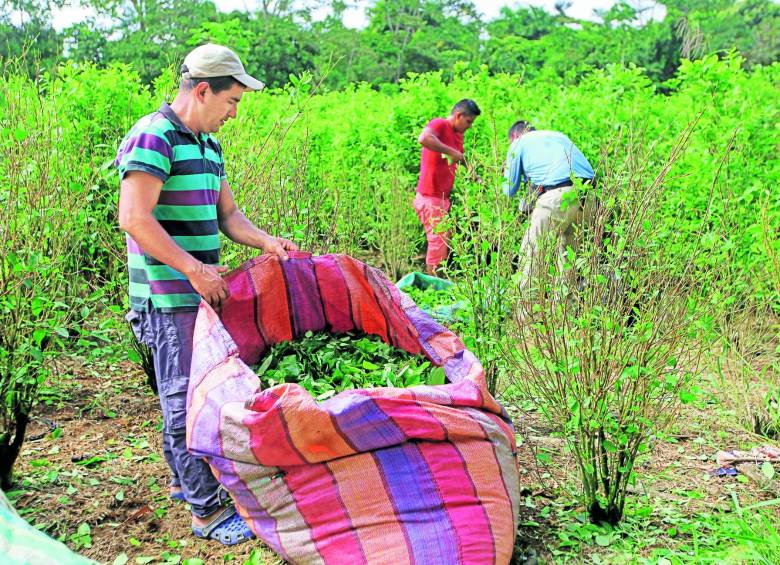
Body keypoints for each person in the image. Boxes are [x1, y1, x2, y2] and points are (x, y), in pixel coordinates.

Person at [116, 43, 297, 546]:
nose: (234, 113)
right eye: (231, 101)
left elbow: (228, 215)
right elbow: (134, 218)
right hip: (167, 296)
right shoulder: (154, 137)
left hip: (198, 295)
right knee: (184, 401)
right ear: (202, 91)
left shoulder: (208, 146)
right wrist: (195, 271)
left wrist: (266, 241)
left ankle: (184, 482)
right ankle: (207, 512)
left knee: (191, 393)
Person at [503, 120, 595, 293]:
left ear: (515, 136)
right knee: (568, 259)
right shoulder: (557, 136)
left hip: (557, 195)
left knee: (531, 255)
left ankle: (525, 309)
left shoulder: (518, 143)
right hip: (588, 196)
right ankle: (565, 308)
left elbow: (508, 190)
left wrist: (507, 170)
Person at [414, 99, 481, 275]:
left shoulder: (458, 135)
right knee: (438, 242)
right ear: (458, 115)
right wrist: (452, 152)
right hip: (430, 197)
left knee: (444, 238)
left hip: (442, 198)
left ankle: (436, 278)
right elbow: (424, 138)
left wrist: (476, 177)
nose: (470, 126)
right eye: (468, 121)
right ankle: (433, 285)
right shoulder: (440, 124)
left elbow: (460, 158)